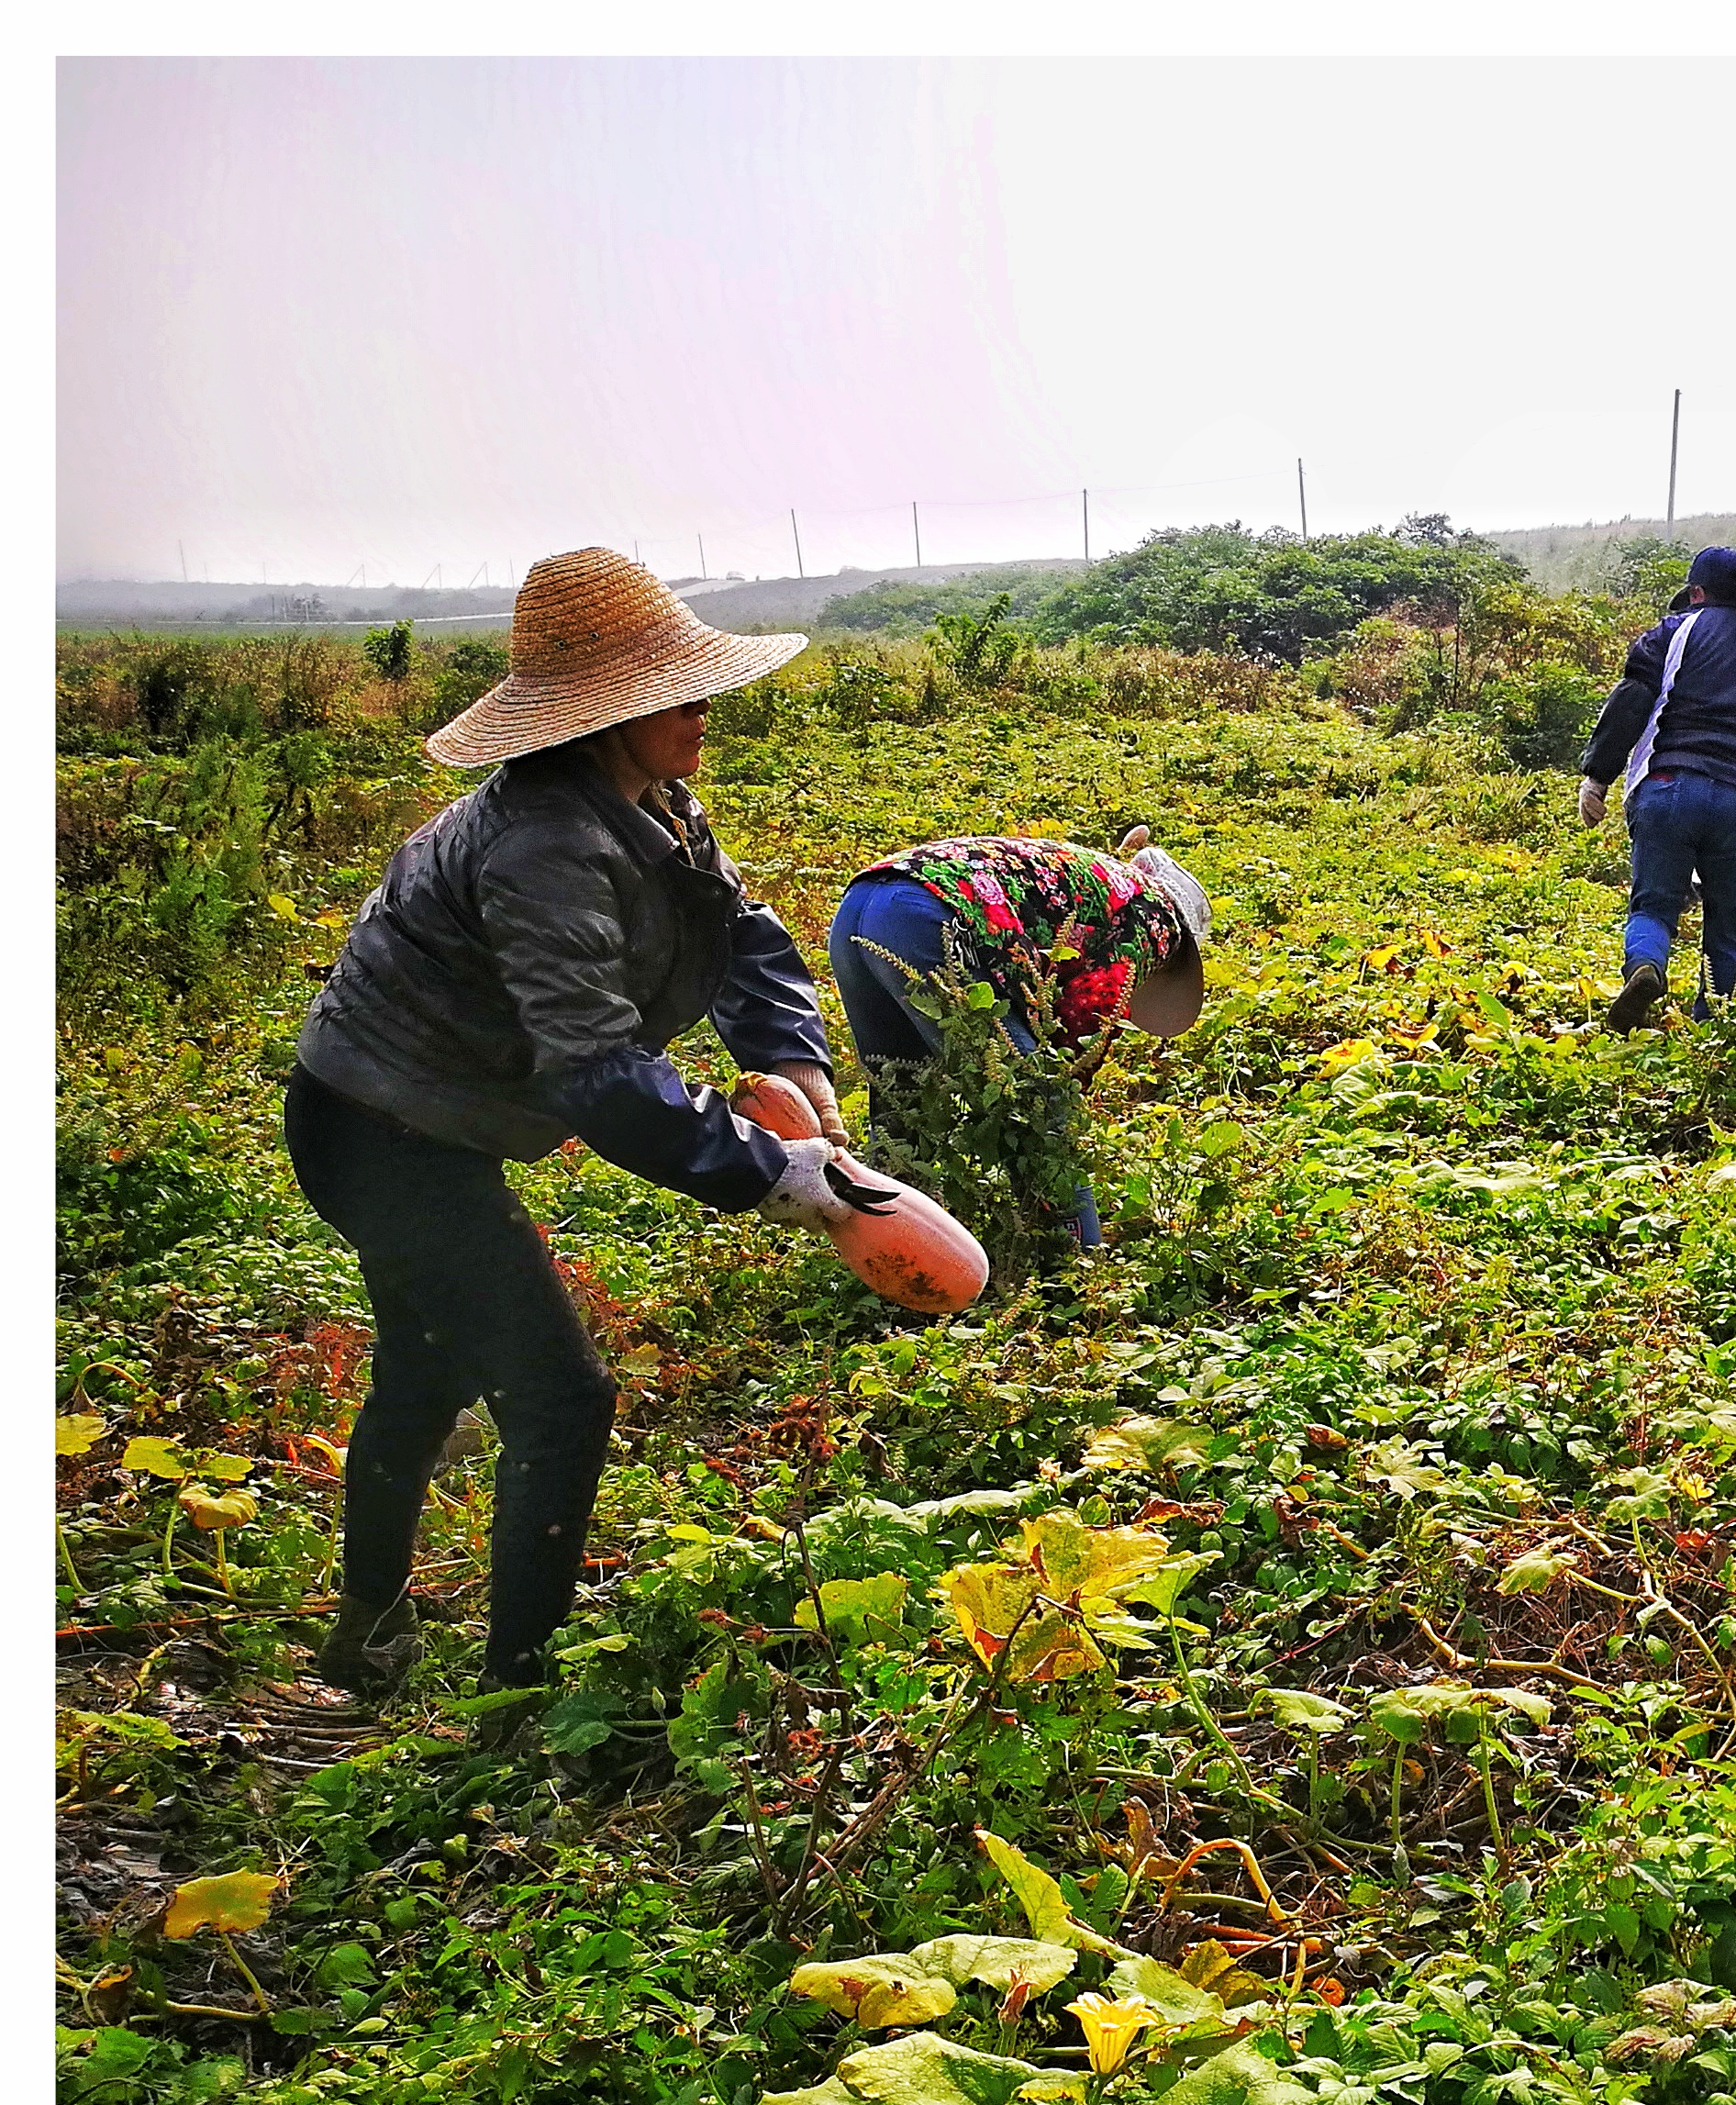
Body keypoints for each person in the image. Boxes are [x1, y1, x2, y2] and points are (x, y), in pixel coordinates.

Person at [288, 548, 875, 1708]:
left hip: (415, 1124)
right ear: (604, 717)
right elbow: (596, 1073)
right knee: (562, 1395)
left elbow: (740, 932)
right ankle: (520, 1701)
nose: (702, 706)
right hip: (380, 1134)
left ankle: (366, 1631)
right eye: (675, 690)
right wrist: (774, 1173)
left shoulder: (650, 802)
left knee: (423, 1368)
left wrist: (788, 1057)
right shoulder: (542, 846)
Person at [826, 825, 1212, 1250]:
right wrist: (1068, 1086)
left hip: (863, 902)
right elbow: (1089, 1009)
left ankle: (891, 1249)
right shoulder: (1156, 916)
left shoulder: (1101, 880)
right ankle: (1076, 1262)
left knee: (903, 1093)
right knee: (1039, 1105)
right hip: (929, 915)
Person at [1575, 547, 1736, 1029]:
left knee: (1654, 902)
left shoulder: (1677, 631)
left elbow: (1633, 699)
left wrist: (1598, 777)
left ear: (1697, 593)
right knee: (1729, 933)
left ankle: (1647, 967)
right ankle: (1713, 1031)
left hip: (1668, 785)